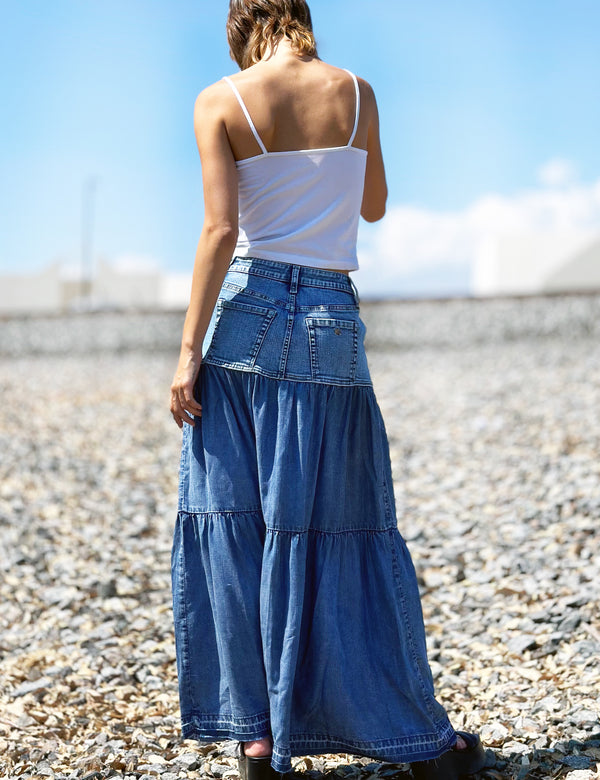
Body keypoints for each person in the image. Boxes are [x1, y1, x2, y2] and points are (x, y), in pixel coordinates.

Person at [169, 2, 486, 779]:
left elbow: (219, 230)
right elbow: (371, 206)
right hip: (325, 318)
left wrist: (186, 354)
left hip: (242, 320)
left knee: (237, 522)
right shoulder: (357, 91)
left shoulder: (222, 97)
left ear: (245, 28)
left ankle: (257, 736)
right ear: (302, 17)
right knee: (344, 525)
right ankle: (415, 742)